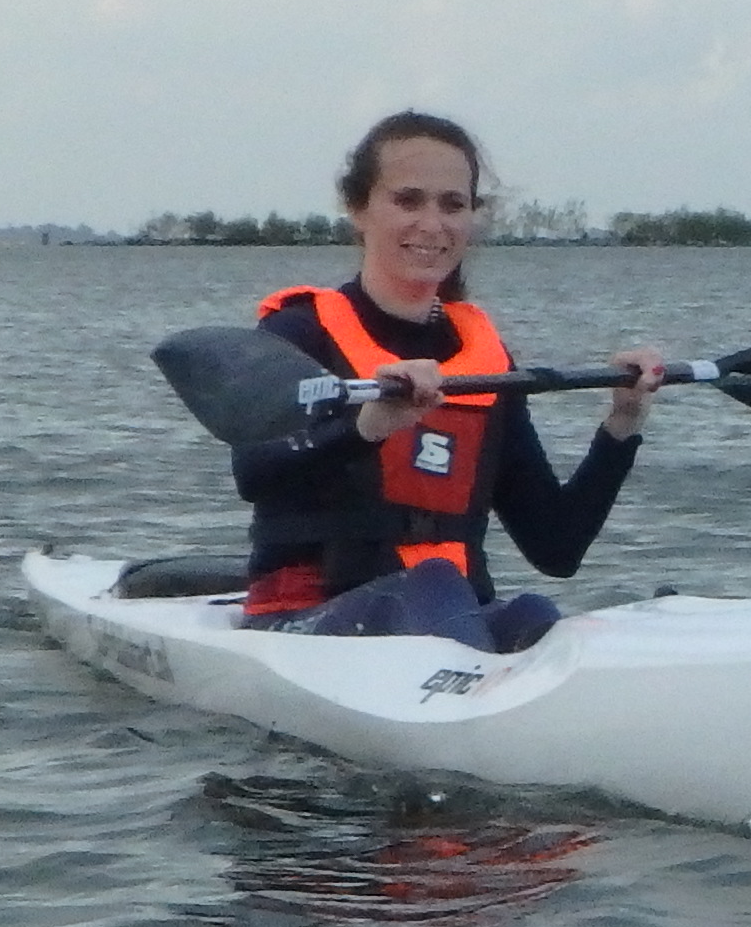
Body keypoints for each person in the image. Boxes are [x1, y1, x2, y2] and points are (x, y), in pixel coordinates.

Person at [232, 112, 663, 652]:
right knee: (432, 585)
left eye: (453, 204)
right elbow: (253, 473)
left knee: (532, 613)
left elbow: (557, 547)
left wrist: (622, 425)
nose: (433, 224)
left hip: (447, 613)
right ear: (358, 208)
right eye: (409, 200)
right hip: (303, 618)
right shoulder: (295, 332)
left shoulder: (483, 356)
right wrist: (366, 426)